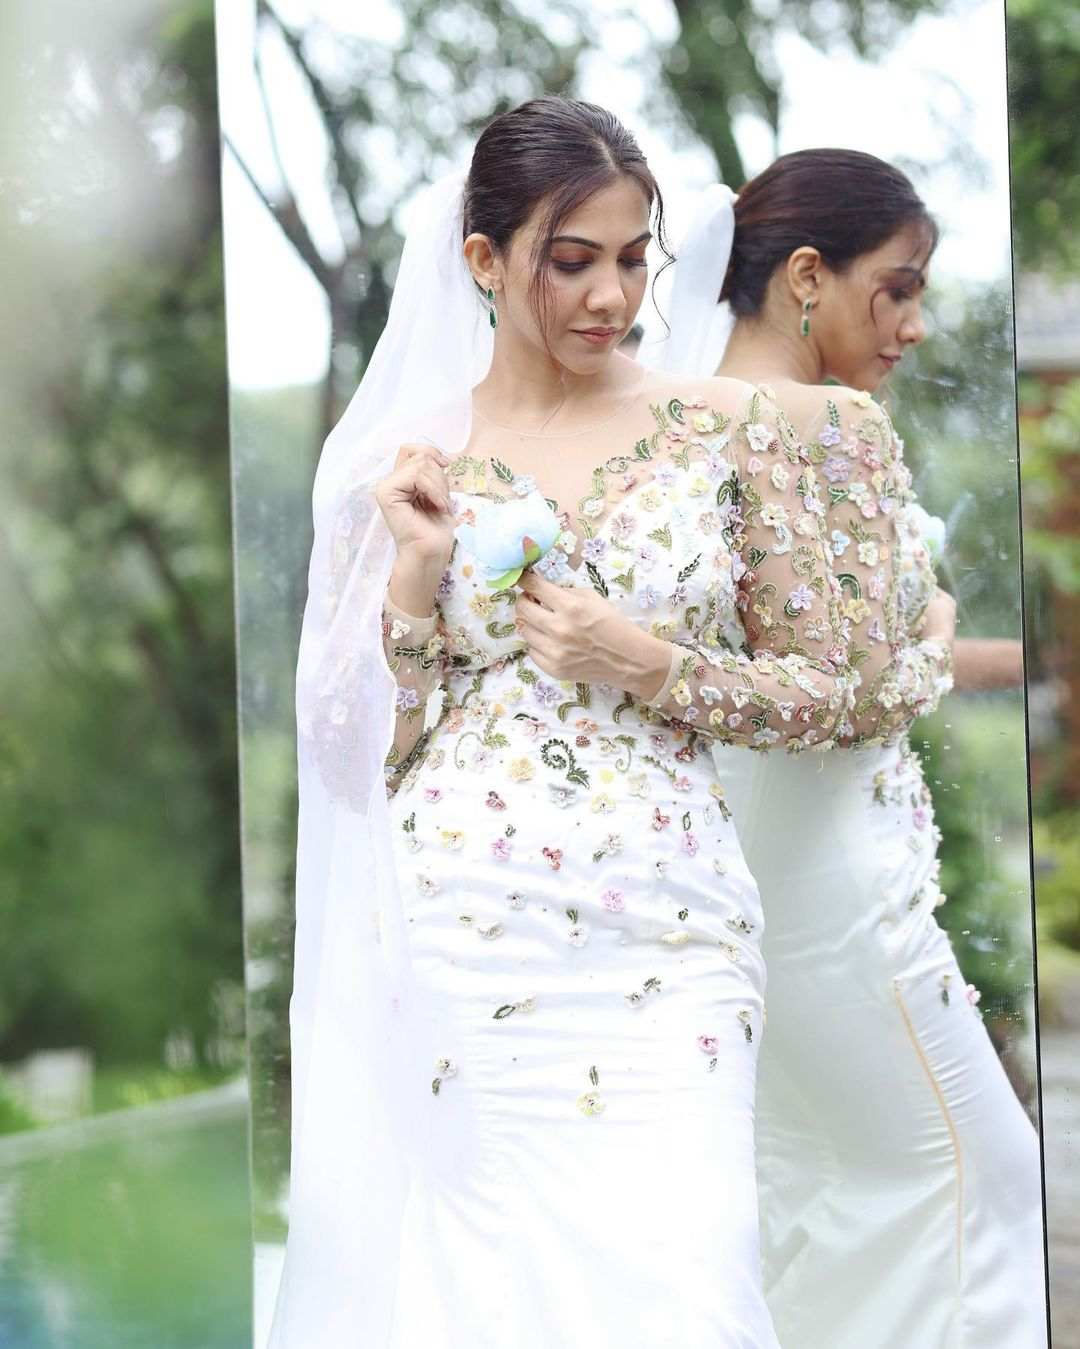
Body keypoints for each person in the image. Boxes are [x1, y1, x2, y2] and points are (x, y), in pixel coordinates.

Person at [272, 97, 862, 1348]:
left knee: (693, 1269)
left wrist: (649, 663)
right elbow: (342, 752)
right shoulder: (400, 463)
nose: (613, 295)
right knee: (488, 1291)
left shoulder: (725, 430)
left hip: (674, 929)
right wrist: (414, 574)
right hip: (465, 930)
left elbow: (829, 690)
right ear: (484, 260)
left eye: (635, 257)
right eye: (573, 260)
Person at [645, 149, 1047, 1347]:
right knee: (980, 1174)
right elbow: (851, 697)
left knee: (825, 1186)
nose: (914, 326)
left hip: (735, 870)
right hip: (842, 880)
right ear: (808, 275)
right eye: (899, 288)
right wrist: (934, 637)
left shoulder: (663, 416)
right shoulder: (832, 422)